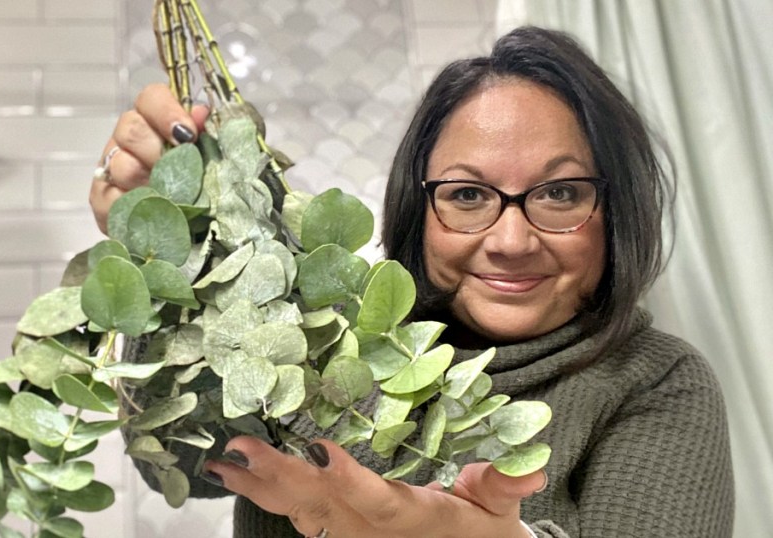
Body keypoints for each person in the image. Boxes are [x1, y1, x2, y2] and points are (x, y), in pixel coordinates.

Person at [89, 26, 734, 538]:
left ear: (614, 211)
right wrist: (174, 261)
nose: (511, 241)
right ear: (417, 211)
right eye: (469, 194)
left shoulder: (656, 383)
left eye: (561, 192)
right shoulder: (315, 332)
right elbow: (177, 462)